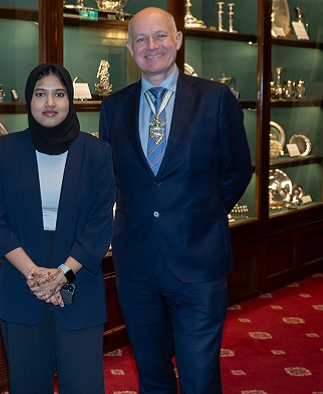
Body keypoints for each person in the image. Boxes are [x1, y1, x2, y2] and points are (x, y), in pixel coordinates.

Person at [98, 7, 252, 393]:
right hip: (137, 265)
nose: (152, 46)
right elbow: (111, 179)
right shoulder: (113, 107)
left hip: (198, 262)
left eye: (160, 36)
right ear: (131, 50)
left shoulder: (215, 99)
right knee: (152, 375)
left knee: (199, 376)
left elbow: (238, 169)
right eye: (141, 39)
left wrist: (202, 216)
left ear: (178, 40)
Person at [0, 63, 116, 393]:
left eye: (59, 94)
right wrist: (35, 275)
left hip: (79, 282)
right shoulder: (7, 149)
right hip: (20, 284)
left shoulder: (96, 151)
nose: (50, 103)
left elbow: (100, 223)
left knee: (84, 384)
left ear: (70, 100)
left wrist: (61, 275)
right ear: (29, 100)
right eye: (40, 94)